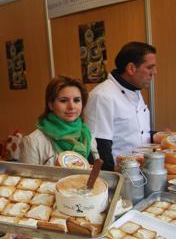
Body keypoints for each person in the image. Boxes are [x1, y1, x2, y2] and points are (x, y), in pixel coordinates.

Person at [84, 42, 157, 171]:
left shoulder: (134, 90)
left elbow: (135, 132)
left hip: (140, 171)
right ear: (131, 68)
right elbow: (99, 149)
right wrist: (113, 182)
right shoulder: (102, 96)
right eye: (150, 67)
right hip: (118, 177)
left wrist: (159, 137)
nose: (154, 72)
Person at [19, 76, 99, 165]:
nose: (71, 106)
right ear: (51, 105)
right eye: (63, 100)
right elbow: (28, 179)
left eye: (76, 100)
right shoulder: (33, 142)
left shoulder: (88, 136)